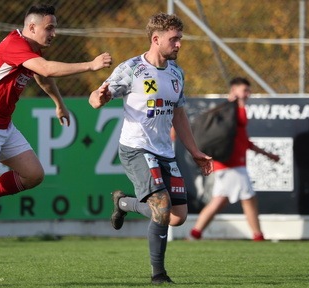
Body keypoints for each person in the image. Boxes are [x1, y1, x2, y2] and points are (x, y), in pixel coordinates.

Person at [0, 4, 112, 281]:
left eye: (54, 27)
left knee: (34, 175)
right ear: (31, 27)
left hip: (2, 125)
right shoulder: (14, 44)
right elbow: (47, 69)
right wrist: (90, 64)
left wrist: (59, 104)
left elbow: (41, 76)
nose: (54, 33)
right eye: (49, 27)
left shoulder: (31, 50)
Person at [89, 13, 213, 285]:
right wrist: (99, 98)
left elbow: (178, 115)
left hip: (164, 152)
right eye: (174, 39)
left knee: (177, 217)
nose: (179, 44)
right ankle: (159, 275)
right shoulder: (131, 68)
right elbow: (96, 99)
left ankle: (123, 203)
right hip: (135, 148)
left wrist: (194, 151)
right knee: (161, 207)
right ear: (156, 39)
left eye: (180, 38)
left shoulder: (176, 73)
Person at [190, 77, 280, 241]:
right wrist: (240, 104)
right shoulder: (233, 110)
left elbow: (244, 141)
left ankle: (195, 234)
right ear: (234, 90)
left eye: (248, 90)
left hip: (227, 163)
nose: (248, 94)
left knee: (219, 201)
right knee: (248, 198)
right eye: (244, 90)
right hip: (232, 163)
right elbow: (241, 127)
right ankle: (258, 236)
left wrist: (268, 155)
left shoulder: (226, 110)